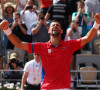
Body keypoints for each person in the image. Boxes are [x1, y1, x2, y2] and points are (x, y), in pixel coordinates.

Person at [0, 13, 100, 89]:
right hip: (46, 88)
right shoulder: (41, 47)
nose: (55, 26)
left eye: (57, 25)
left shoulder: (69, 45)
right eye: (53, 25)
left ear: (61, 31)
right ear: (49, 30)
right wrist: (6, 30)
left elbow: (87, 38)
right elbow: (19, 44)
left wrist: (96, 23)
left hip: (63, 88)